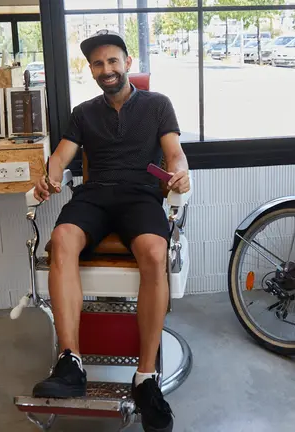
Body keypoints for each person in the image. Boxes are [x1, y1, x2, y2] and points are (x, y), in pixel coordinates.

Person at [31, 30, 190, 432]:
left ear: (127, 63)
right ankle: (71, 363)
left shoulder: (157, 105)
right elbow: (61, 156)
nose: (107, 69)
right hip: (96, 195)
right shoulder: (84, 113)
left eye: (113, 61)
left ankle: (145, 377)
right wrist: (49, 178)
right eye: (98, 64)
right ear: (91, 70)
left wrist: (181, 173)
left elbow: (174, 154)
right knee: (62, 238)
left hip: (140, 197)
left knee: (155, 253)